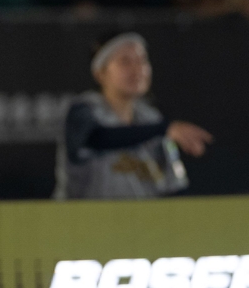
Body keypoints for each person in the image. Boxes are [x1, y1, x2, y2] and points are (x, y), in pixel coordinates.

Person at [63, 31, 214, 199]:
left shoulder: (152, 118)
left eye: (142, 60)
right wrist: (162, 129)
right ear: (100, 73)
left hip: (142, 215)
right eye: (125, 62)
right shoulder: (83, 110)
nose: (138, 69)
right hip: (84, 214)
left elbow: (173, 185)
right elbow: (96, 139)